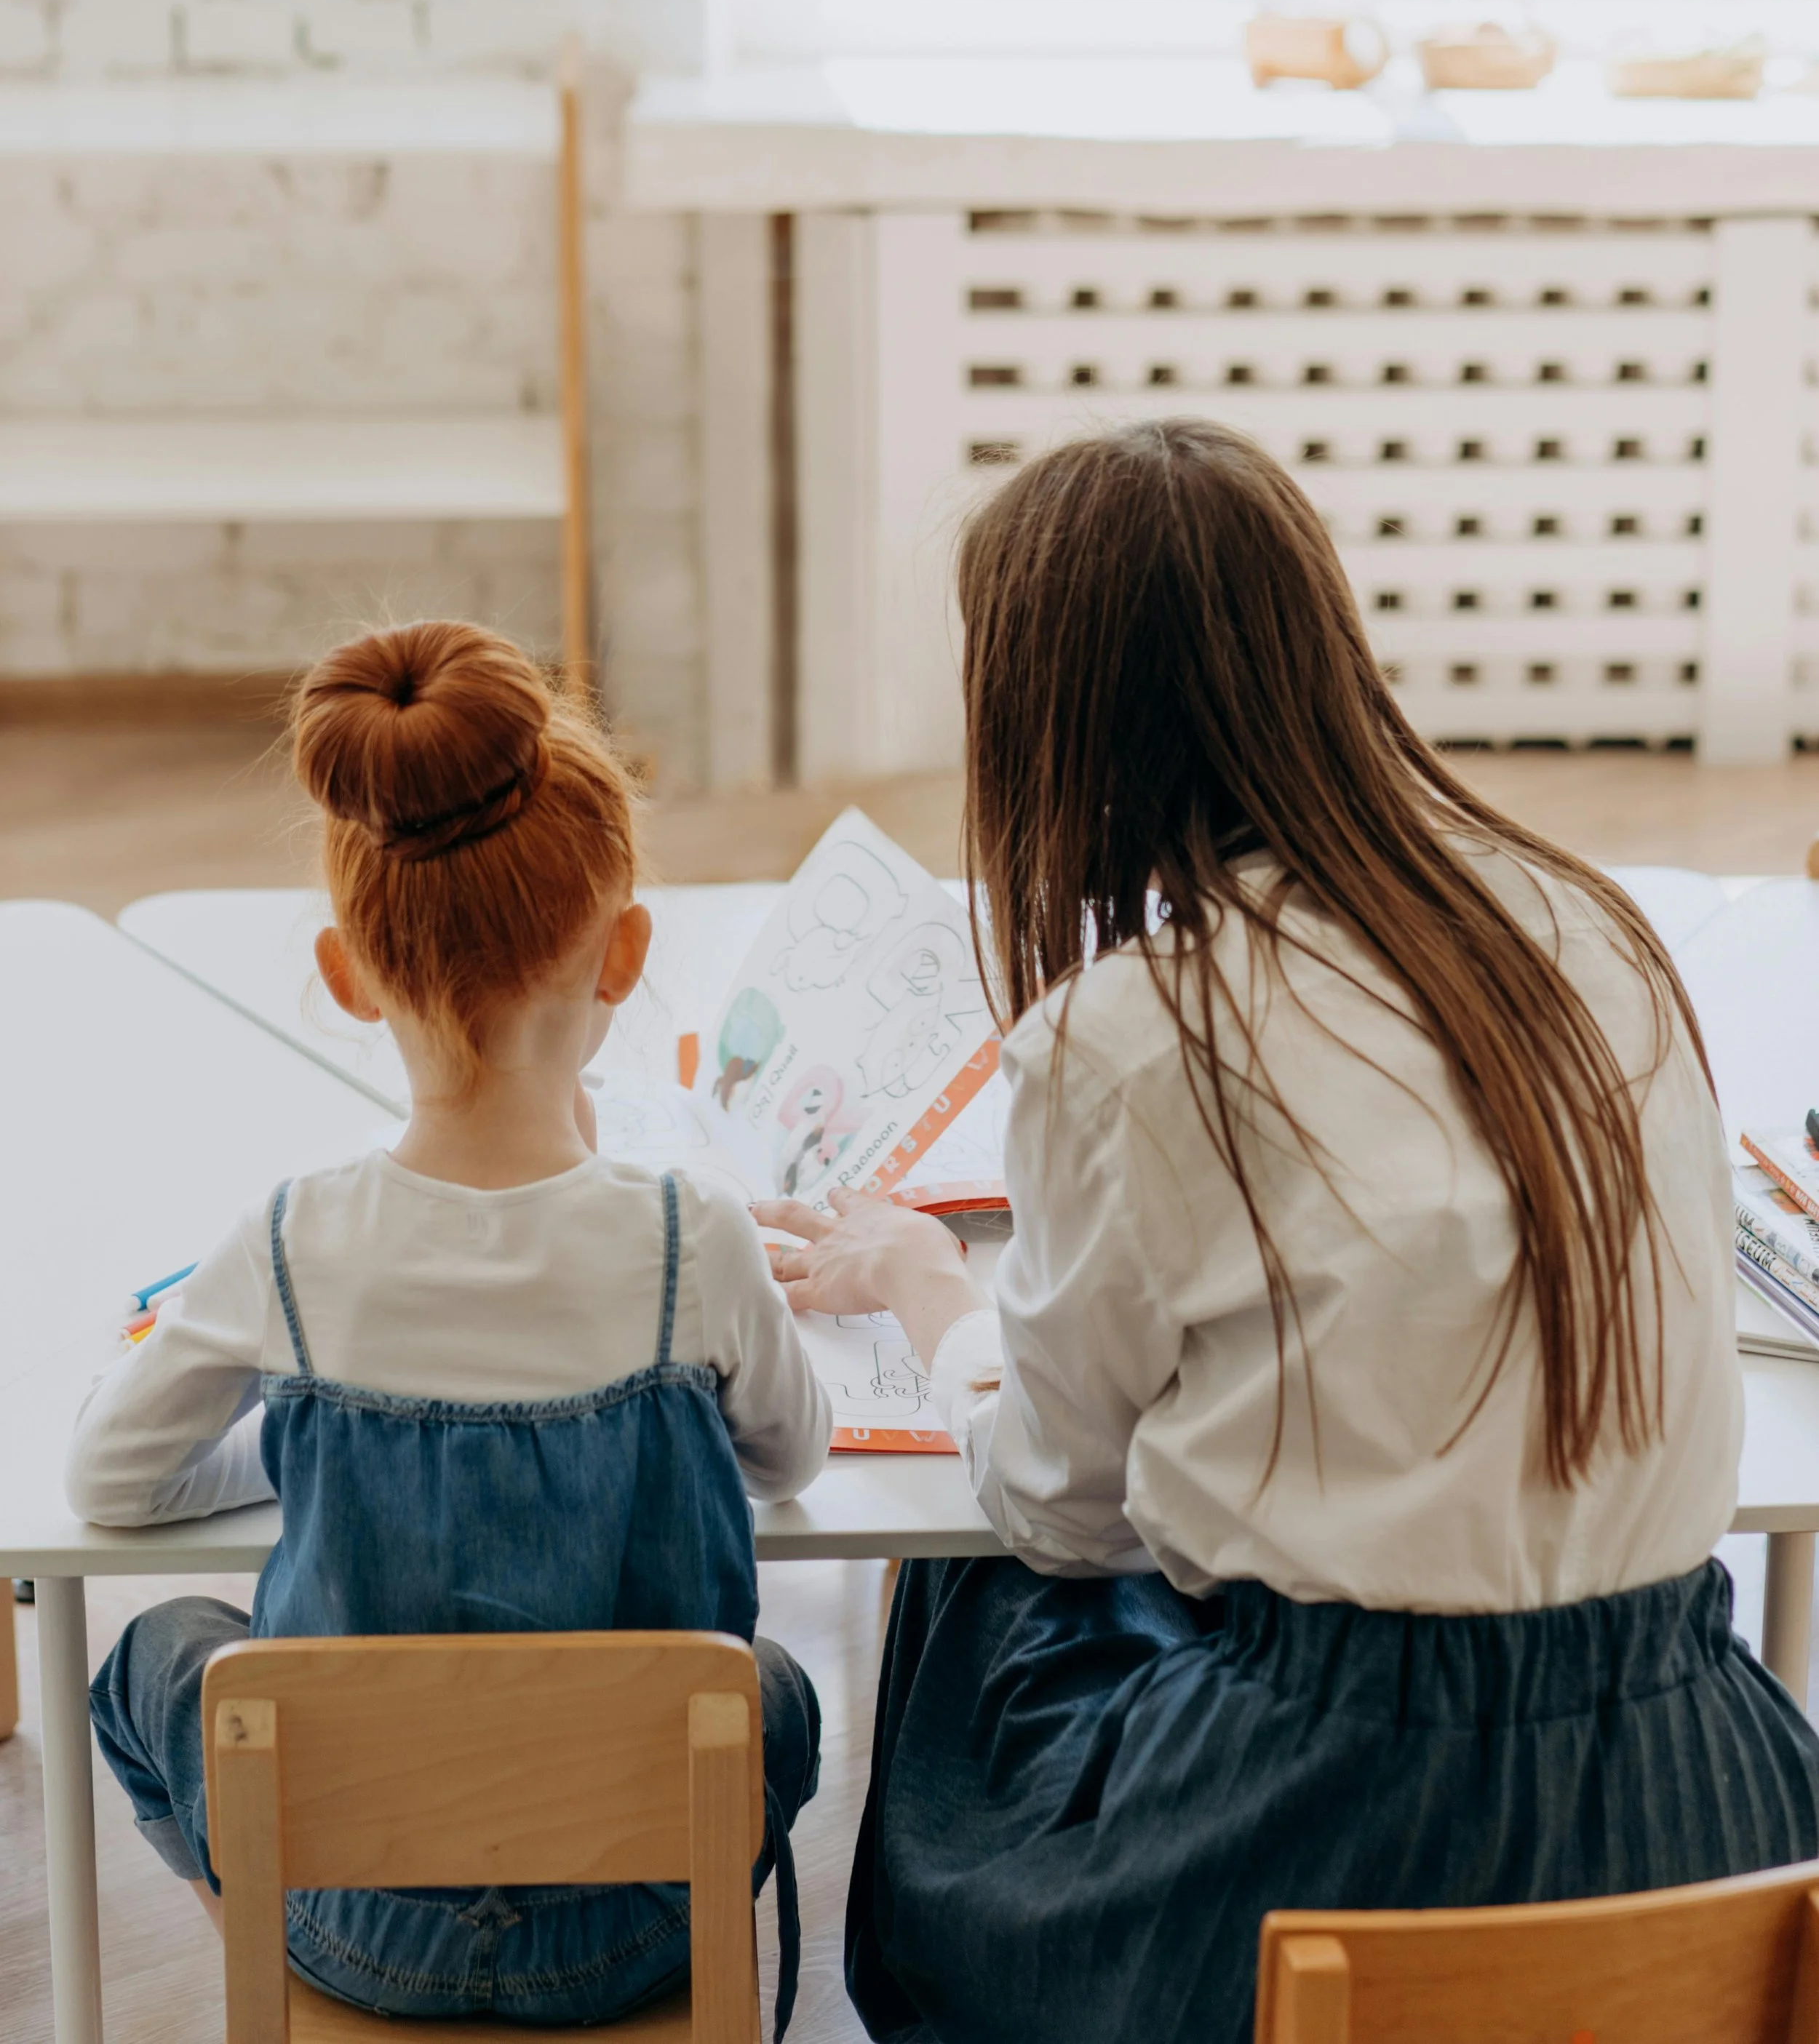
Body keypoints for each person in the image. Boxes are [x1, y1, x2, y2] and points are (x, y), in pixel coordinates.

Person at [762, 419, 1819, 2044]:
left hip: (1335, 1835)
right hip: (1698, 1788)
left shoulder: (1125, 1037)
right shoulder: (1592, 934)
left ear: (1061, 732)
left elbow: (1056, 1511)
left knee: (973, 1580)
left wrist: (930, 1295)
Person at [71, 618, 829, 2030]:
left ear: (347, 973)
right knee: (768, 1693)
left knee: (151, 1658)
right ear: (623, 954)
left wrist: (300, 1433)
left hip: (355, 1932)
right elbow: (787, 1460)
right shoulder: (695, 1237)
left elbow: (114, 1484)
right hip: (638, 1926)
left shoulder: (290, 1243)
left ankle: (268, 1952)